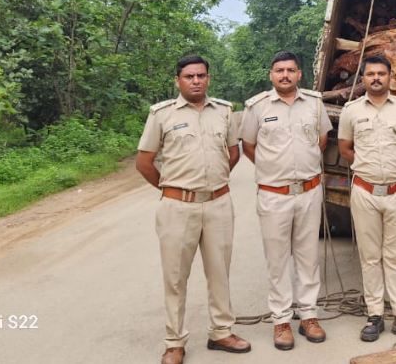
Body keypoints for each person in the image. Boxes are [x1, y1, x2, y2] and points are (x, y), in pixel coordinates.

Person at [135, 55, 250, 364]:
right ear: (178, 81)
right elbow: (144, 163)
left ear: (208, 79)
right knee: (175, 277)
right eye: (189, 76)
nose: (196, 80)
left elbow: (233, 152)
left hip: (218, 204)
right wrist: (173, 189)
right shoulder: (162, 115)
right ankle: (174, 342)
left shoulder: (224, 111)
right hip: (177, 208)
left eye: (201, 75)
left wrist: (214, 181)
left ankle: (221, 332)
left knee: (219, 273)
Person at [239, 51, 333, 350]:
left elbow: (321, 140)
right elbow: (249, 146)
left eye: (290, 70)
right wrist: (272, 170)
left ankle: (308, 316)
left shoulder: (315, 104)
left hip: (308, 191)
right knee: (277, 260)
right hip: (273, 195)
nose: (285, 75)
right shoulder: (256, 107)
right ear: (271, 75)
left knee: (308, 257)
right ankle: (281, 320)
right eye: (279, 70)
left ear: (299, 74)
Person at [337, 55, 396, 342]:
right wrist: (367, 165)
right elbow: (345, 148)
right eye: (370, 74)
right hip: (365, 192)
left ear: (391, 78)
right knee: (370, 257)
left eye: (381, 74)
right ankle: (374, 316)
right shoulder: (351, 111)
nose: (376, 78)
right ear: (362, 78)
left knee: (395, 257)